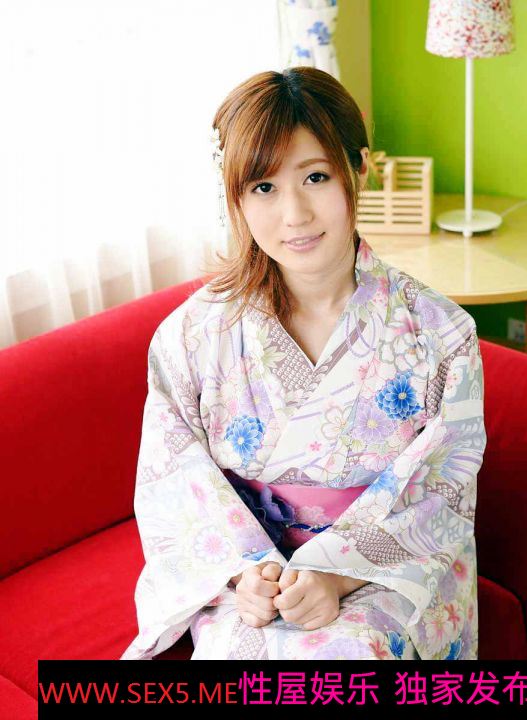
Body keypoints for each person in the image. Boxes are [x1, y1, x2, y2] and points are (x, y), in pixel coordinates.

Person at [120, 67, 487, 662]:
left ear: (358, 169)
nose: (293, 214)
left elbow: (441, 490)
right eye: (263, 187)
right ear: (235, 196)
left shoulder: (441, 333)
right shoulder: (192, 334)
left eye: (315, 177)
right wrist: (245, 573)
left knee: (348, 657)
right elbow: (173, 480)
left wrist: (336, 574)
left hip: (382, 573)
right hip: (249, 578)